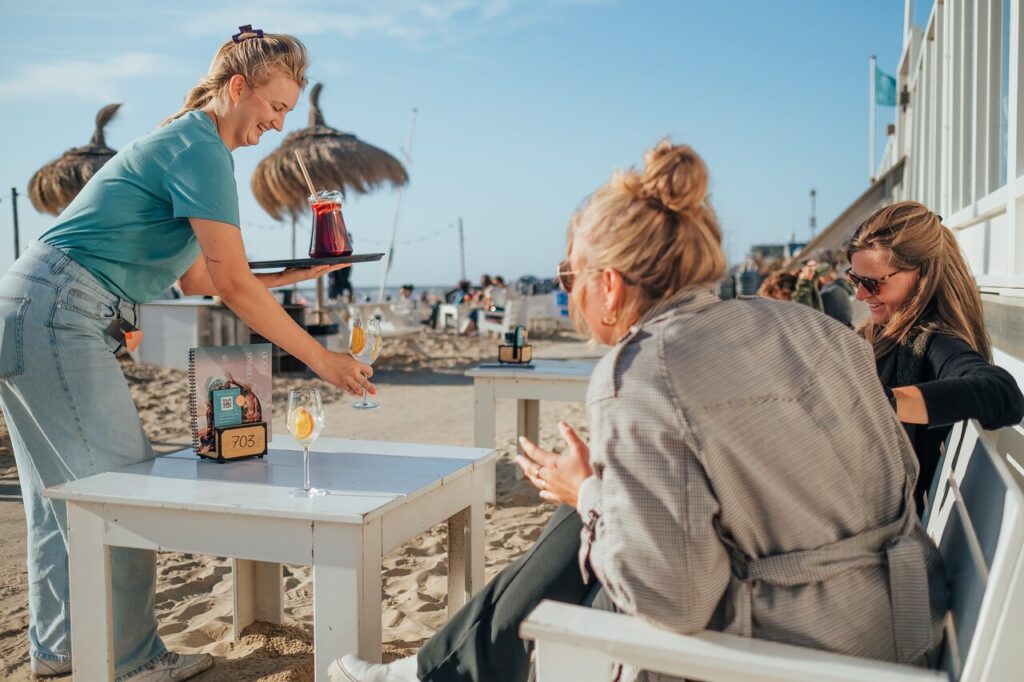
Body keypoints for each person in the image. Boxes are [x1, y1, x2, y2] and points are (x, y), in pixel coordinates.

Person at [332, 141, 946, 682]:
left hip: (794, 650)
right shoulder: (814, 327)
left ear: (610, 284)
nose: (568, 291)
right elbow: (901, 472)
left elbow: (676, 601)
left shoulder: (643, 370)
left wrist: (589, 495)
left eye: (570, 274)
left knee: (589, 522)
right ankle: (442, 670)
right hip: (899, 621)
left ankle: (446, 671)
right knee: (592, 510)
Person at [0, 27, 375, 680]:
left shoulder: (189, 143)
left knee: (62, 497)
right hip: (60, 311)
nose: (279, 123)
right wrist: (323, 360)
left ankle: (62, 648)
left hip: (29, 306)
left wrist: (300, 274)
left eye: (288, 111)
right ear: (238, 87)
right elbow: (230, 287)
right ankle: (130, 660)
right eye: (275, 106)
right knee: (124, 492)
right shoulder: (202, 148)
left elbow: (203, 279)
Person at [846, 201, 1024, 514]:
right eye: (855, 279)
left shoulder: (936, 341)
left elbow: (1002, 393)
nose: (860, 294)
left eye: (872, 283)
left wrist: (878, 403)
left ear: (922, 275)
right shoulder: (884, 333)